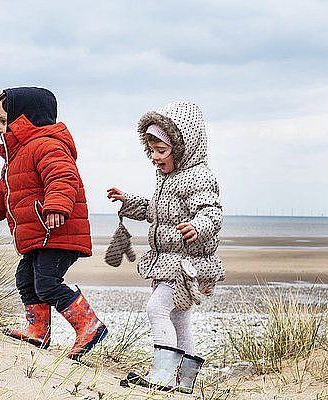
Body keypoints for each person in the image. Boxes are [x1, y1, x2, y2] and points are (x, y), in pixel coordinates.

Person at [0, 87, 107, 360]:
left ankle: (88, 324)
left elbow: (63, 177)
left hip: (58, 231)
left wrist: (57, 206)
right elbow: (3, 196)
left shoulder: (47, 144)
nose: (0, 129)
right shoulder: (15, 158)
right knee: (25, 279)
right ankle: (37, 330)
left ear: (26, 119)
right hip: (39, 236)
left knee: (47, 283)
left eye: (5, 120)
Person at [107, 101, 224, 393]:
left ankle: (163, 374)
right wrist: (129, 202)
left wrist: (198, 227)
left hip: (185, 265)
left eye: (162, 151)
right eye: (151, 152)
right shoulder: (167, 178)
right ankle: (183, 381)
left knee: (156, 309)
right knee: (179, 318)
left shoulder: (198, 177)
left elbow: (212, 213)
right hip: (169, 261)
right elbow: (157, 211)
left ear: (184, 146)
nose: (155, 158)